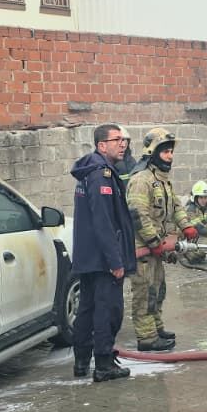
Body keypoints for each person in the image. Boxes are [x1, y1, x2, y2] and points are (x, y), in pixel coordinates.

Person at [69, 124, 137, 383]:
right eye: (117, 139)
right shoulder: (101, 175)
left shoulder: (90, 171)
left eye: (124, 140)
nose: (123, 144)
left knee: (86, 308)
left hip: (89, 258)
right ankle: (104, 365)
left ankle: (81, 361)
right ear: (101, 146)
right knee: (106, 310)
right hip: (102, 259)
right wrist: (115, 261)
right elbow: (104, 221)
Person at [127, 127, 182, 351]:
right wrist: (154, 242)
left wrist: (186, 226)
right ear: (153, 151)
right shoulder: (142, 180)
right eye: (165, 151)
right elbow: (138, 215)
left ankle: (156, 327)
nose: (170, 155)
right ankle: (147, 338)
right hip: (143, 250)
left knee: (158, 290)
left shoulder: (163, 181)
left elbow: (176, 206)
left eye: (171, 151)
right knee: (144, 293)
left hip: (156, 248)